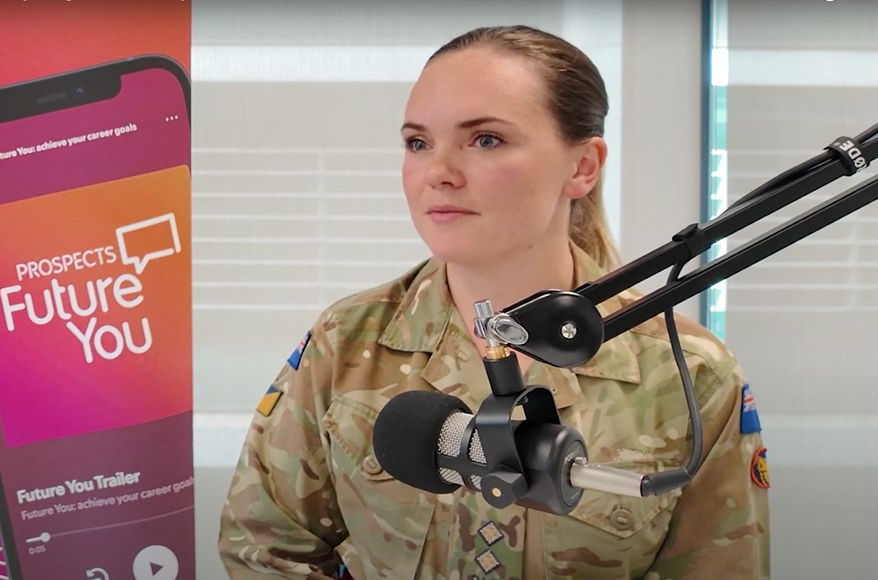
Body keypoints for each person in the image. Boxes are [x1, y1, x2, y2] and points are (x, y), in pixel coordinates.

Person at [219, 25, 769, 579]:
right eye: (418, 143)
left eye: (485, 140)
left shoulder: (689, 375)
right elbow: (262, 549)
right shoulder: (346, 343)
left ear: (582, 166)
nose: (439, 173)